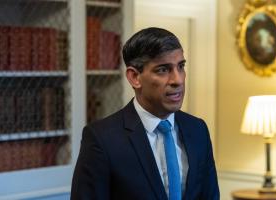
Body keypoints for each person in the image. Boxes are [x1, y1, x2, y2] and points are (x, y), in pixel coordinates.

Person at [71, 27, 220, 200]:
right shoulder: (102, 139)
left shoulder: (198, 129)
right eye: (163, 70)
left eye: (181, 66)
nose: (178, 80)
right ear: (134, 77)